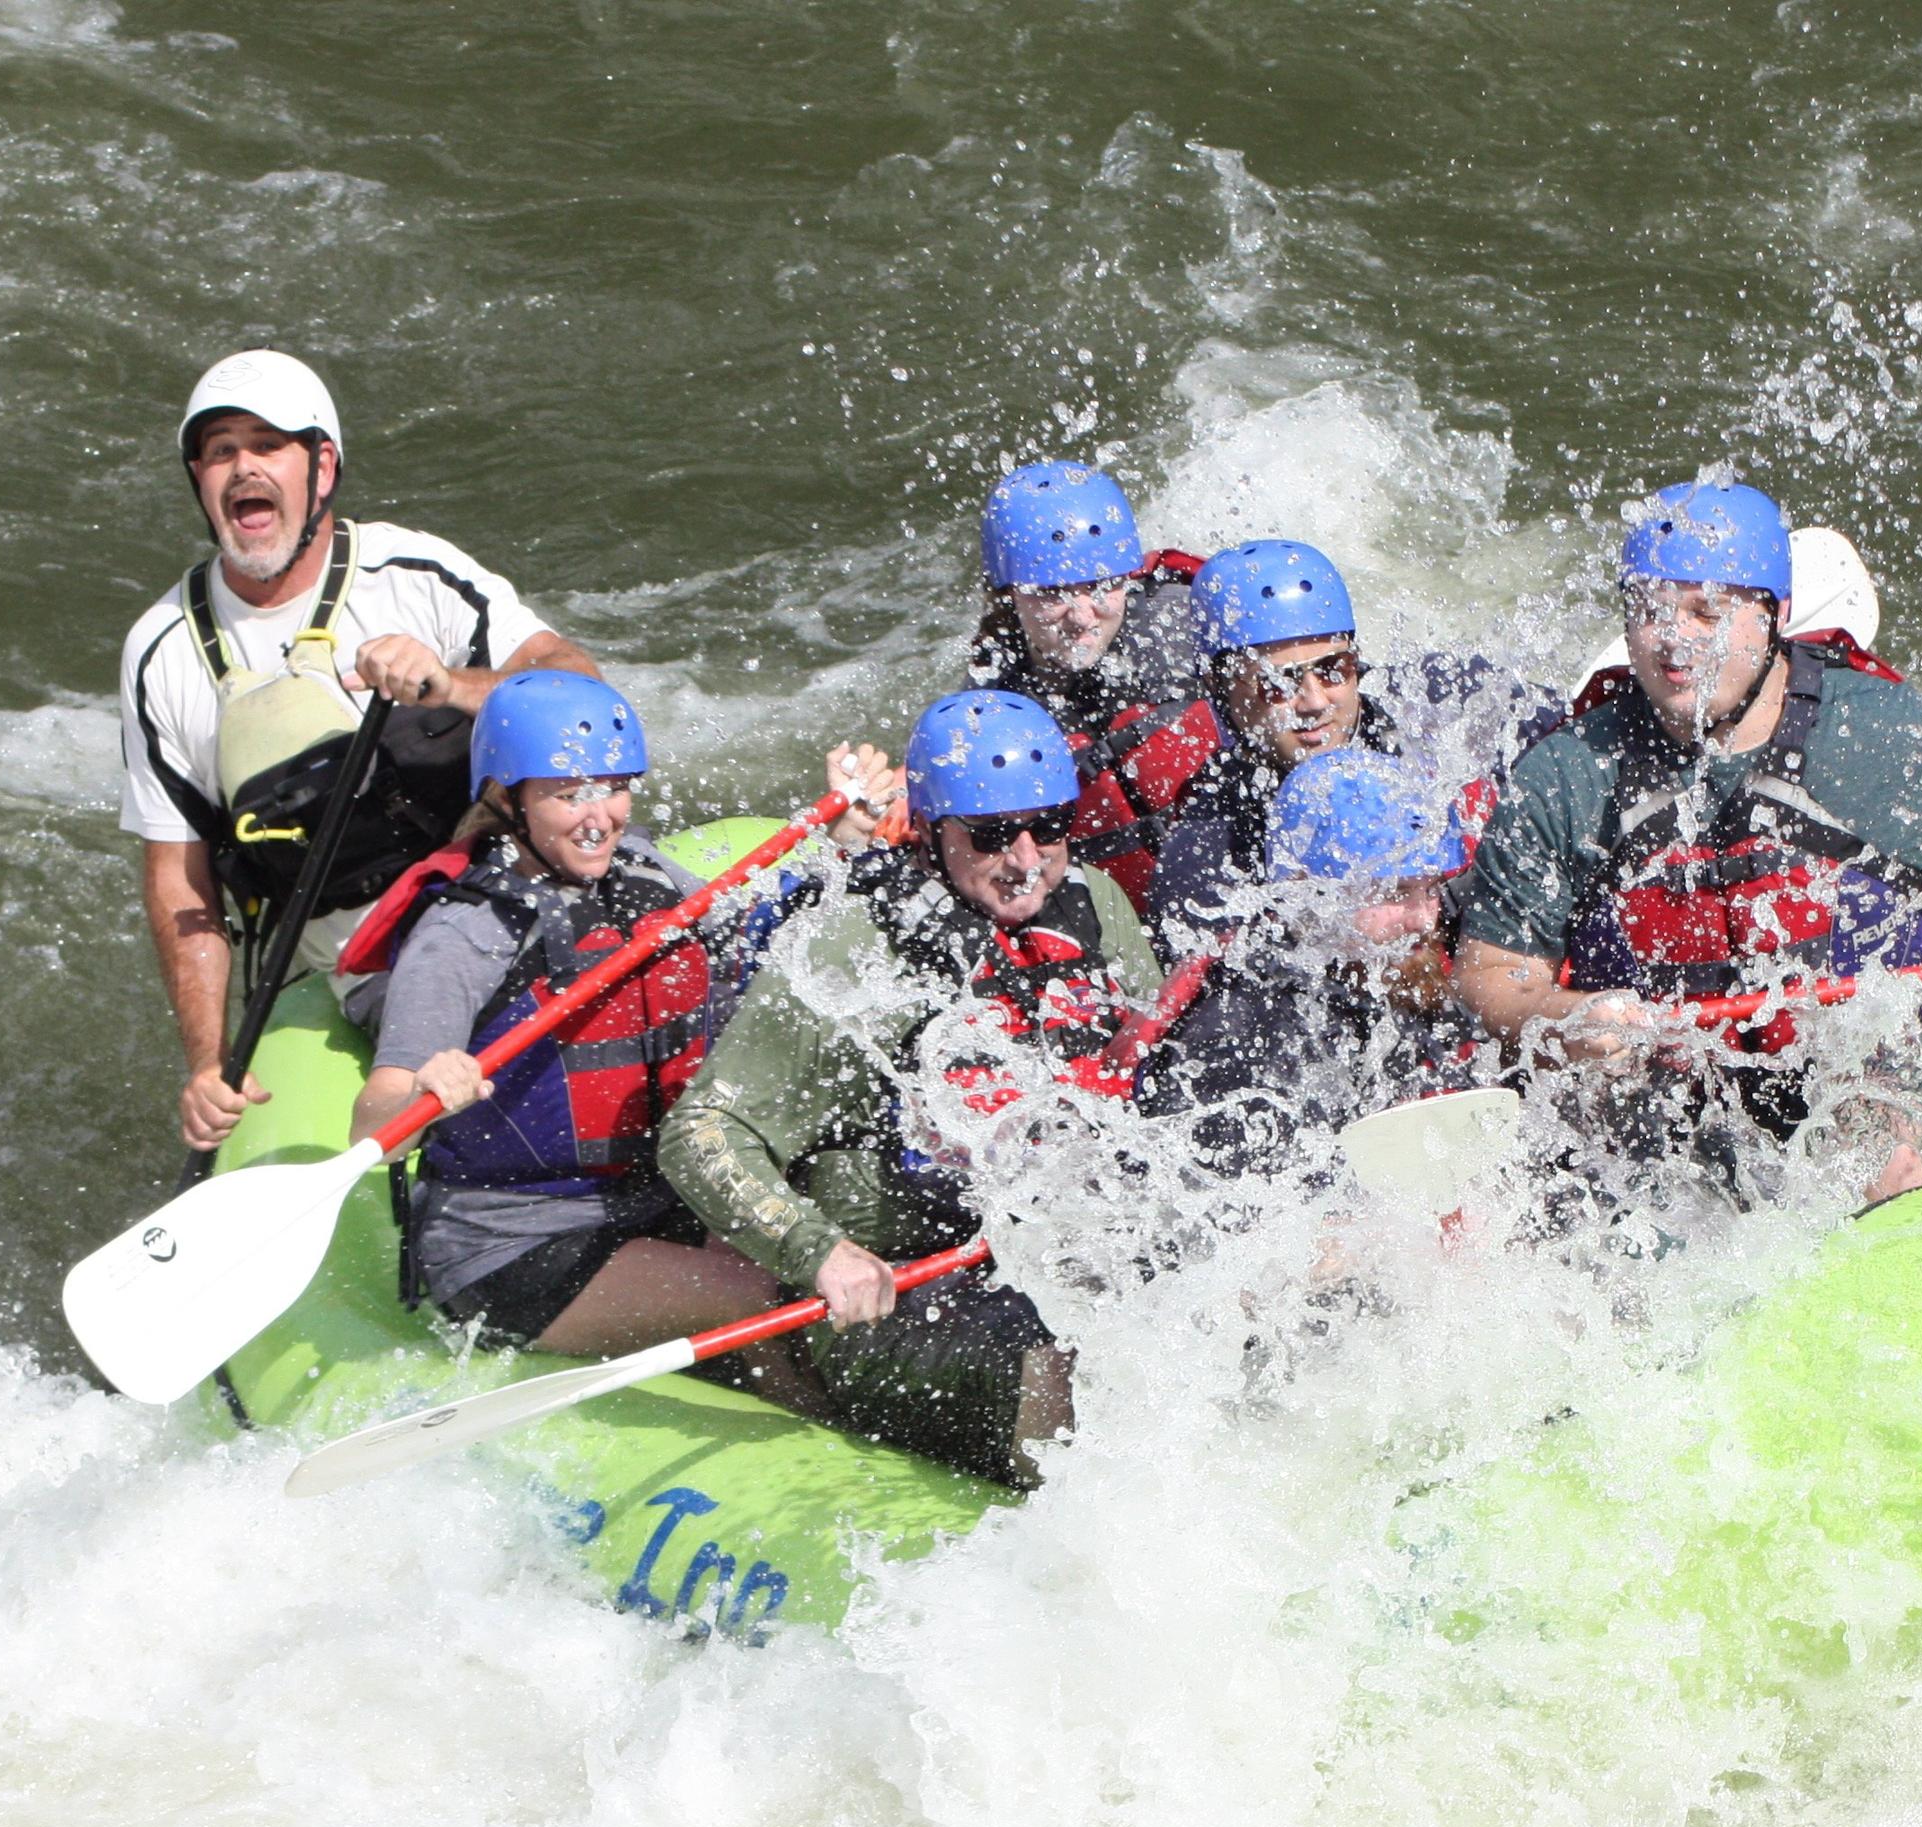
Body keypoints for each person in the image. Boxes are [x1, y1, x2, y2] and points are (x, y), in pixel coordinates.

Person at [1451, 480, 1922, 1202]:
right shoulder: (1568, 770)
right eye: (1647, 611)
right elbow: (1494, 972)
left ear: (1774, 615)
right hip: (1696, 1082)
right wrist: (1566, 1018)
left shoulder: (1883, 731)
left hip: (1890, 1054)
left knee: (1881, 1153)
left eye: (1704, 612)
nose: (1671, 639)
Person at [658, 690, 1164, 1487]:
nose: (1028, 858)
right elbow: (703, 1133)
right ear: (928, 834)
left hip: (1058, 1247)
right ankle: (1076, 1550)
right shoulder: (853, 946)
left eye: (1051, 827)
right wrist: (817, 1251)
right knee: (1060, 1348)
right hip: (895, 1295)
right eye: (994, 835)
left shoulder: (1095, 905)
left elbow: (1155, 1082)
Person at [116, 349, 603, 1151]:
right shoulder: (162, 650)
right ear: (200, 479)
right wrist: (206, 1062)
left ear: (323, 465)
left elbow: (577, 684)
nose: (243, 467)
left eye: (268, 444)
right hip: (370, 961)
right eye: (221, 450)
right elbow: (179, 873)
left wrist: (447, 683)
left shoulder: (413, 572)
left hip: (512, 889)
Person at [350, 672, 888, 1373]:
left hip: (656, 1200)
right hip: (517, 1241)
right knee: (771, 1294)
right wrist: (423, 1089)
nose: (599, 815)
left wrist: (840, 844)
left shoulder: (645, 873)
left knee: (829, 1223)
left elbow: (768, 946)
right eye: (569, 794)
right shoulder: (463, 935)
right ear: (507, 797)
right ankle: (822, 1453)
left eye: (614, 786)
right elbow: (373, 1131)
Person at [1136, 746, 1465, 1183]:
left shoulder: (1392, 988)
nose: (1425, 918)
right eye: (1393, 892)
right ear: (1304, 893)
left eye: (1431, 888)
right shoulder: (1245, 1039)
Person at [965, 460, 1225, 908]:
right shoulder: (992, 702)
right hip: (1134, 930)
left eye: (1100, 586)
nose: (1082, 617)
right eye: (1051, 594)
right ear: (1008, 592)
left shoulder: (1193, 627)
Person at [1135, 536, 1409, 962]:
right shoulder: (1206, 851)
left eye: (1334, 669)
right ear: (1220, 689)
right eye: (1276, 684)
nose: (1315, 702)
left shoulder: (1426, 725)